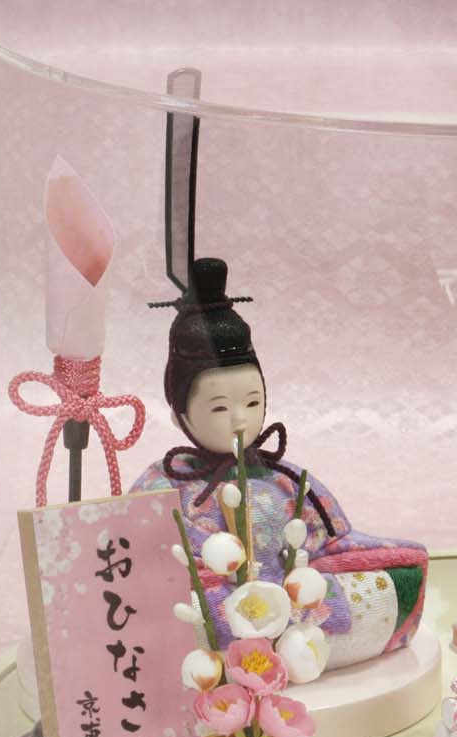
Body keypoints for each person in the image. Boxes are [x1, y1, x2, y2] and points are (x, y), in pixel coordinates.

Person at [130, 257, 427, 670]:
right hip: (210, 607)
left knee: (396, 576)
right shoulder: (168, 482)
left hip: (303, 597)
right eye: (220, 407)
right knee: (172, 612)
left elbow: (334, 541)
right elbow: (145, 563)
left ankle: (294, 646)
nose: (240, 420)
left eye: (253, 402)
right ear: (180, 416)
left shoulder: (284, 479)